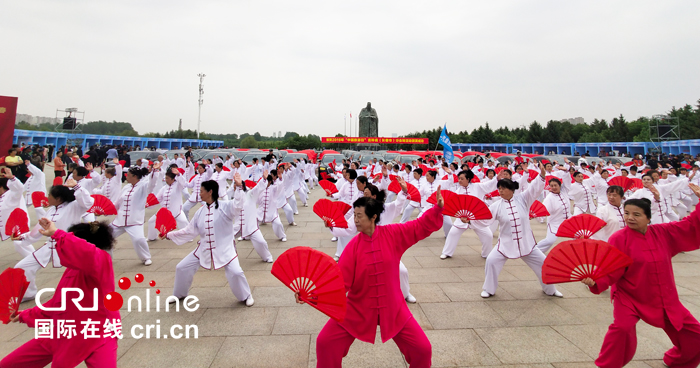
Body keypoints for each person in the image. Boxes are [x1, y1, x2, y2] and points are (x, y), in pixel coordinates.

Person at [308, 185, 446, 367]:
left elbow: (418, 227)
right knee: (325, 342)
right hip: (358, 308)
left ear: (373, 217)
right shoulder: (353, 247)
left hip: (393, 306)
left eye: (359, 216)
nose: (354, 220)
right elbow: (339, 282)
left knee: (422, 349)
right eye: (354, 215)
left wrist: (437, 208)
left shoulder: (393, 234)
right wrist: (313, 295)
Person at [581, 187, 700, 368]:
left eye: (636, 214)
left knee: (695, 334)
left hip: (664, 296)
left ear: (648, 218)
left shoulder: (663, 233)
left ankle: (677, 359)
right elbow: (611, 268)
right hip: (630, 296)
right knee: (622, 328)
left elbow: (690, 225)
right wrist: (596, 281)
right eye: (627, 213)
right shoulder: (618, 238)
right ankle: (607, 365)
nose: (630, 218)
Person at [1, 219, 120, 368]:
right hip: (63, 332)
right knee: (7, 365)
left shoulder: (102, 261)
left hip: (99, 334)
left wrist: (58, 234)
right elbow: (57, 304)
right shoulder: (72, 270)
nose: (60, 247)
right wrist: (24, 315)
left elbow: (86, 251)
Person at [164, 180, 255, 306]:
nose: (199, 194)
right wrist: (169, 235)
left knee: (236, 272)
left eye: (201, 191)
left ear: (210, 192)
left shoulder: (226, 207)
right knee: (182, 267)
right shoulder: (199, 212)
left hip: (225, 248)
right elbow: (189, 231)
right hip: (204, 248)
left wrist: (239, 187)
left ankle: (246, 295)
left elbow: (238, 204)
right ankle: (179, 294)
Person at [481, 163, 562, 298]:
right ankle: (488, 289)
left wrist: (542, 175)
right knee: (491, 261)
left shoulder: (523, 199)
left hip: (527, 244)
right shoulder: (496, 206)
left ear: (512, 189)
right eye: (499, 189)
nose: (500, 191)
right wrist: (470, 220)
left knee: (543, 263)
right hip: (505, 244)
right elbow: (485, 219)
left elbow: (534, 189)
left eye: (503, 188)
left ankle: (550, 290)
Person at [13, 184, 94, 301]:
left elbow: (88, 202)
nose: (47, 198)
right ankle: (29, 293)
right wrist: (21, 237)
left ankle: (89, 294)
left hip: (70, 246)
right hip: (51, 245)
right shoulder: (51, 210)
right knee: (22, 266)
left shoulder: (74, 206)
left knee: (81, 272)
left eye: (49, 195)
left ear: (58, 199)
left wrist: (76, 186)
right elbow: (38, 229)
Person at [111, 165, 159, 265]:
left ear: (135, 176)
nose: (126, 177)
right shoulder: (126, 187)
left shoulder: (143, 186)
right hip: (119, 220)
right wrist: (107, 210)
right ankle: (105, 258)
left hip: (134, 221)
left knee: (139, 239)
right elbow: (118, 202)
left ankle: (146, 258)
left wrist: (154, 170)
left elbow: (152, 184)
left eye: (128, 175)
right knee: (105, 236)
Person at [0, 168, 30, 243]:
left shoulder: (12, 195)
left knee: (20, 244)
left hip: (18, 226)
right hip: (9, 227)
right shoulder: (3, 196)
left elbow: (19, 188)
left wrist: (12, 178)